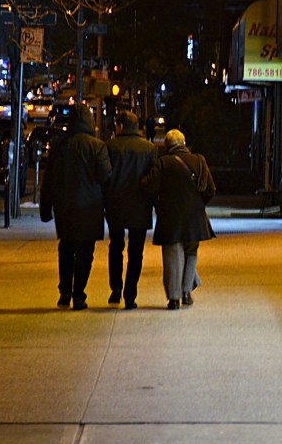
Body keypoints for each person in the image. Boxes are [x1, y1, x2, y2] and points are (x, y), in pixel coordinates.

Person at [39, 104, 112, 310]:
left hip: (65, 207)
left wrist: (46, 209)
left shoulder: (60, 147)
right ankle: (79, 293)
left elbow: (49, 180)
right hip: (90, 208)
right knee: (85, 253)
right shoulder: (97, 147)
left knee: (66, 248)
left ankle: (65, 292)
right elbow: (105, 176)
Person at [140, 129, 216, 309]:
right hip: (194, 218)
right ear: (183, 143)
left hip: (170, 218)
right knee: (191, 252)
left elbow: (149, 186)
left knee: (172, 254)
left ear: (167, 145)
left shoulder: (162, 163)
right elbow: (210, 190)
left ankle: (174, 299)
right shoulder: (199, 161)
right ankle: (186, 292)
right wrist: (197, 204)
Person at [104, 111, 157, 310]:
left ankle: (115, 288)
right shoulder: (149, 148)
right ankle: (130, 294)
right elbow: (153, 177)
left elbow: (105, 175)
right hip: (140, 205)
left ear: (120, 125)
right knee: (136, 253)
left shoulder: (110, 147)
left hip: (115, 203)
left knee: (116, 247)